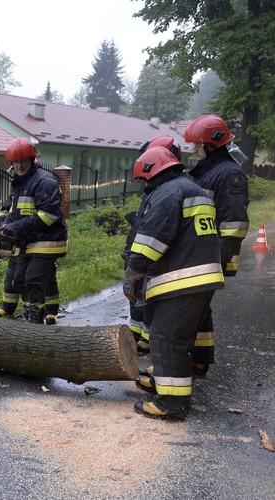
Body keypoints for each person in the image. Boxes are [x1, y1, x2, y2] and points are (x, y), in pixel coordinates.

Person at [124, 146, 224, 420]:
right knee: (172, 335)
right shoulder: (193, 189)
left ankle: (171, 403)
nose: (143, 186)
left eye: (143, 180)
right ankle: (163, 381)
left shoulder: (167, 194)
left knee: (167, 338)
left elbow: (150, 242)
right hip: (201, 277)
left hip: (182, 279)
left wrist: (133, 275)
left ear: (151, 173)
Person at [182, 114, 250, 377]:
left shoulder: (229, 175)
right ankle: (199, 358)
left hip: (210, 256)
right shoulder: (209, 171)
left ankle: (183, 361)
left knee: (190, 309)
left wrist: (215, 262)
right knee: (199, 307)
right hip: (200, 252)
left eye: (197, 146)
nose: (194, 151)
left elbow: (234, 226)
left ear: (212, 145)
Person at [0, 138, 67, 324]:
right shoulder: (20, 182)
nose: (19, 165)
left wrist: (15, 227)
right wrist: (2, 225)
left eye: (23, 161)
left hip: (48, 239)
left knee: (33, 278)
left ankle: (36, 318)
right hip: (28, 240)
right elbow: (13, 211)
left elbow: (48, 216)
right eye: (15, 162)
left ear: (32, 160)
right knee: (19, 279)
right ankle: (33, 312)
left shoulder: (45, 182)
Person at [123, 135, 183, 354]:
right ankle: (136, 336)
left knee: (150, 297)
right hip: (143, 251)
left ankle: (147, 339)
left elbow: (157, 231)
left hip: (155, 257)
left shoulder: (168, 191)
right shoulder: (161, 188)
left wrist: (137, 263)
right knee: (139, 297)